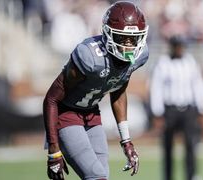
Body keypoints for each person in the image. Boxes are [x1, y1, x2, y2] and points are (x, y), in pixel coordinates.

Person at [42, 1, 149, 180]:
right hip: (66, 114)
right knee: (96, 175)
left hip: (92, 115)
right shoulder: (90, 57)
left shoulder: (139, 57)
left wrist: (126, 140)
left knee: (102, 176)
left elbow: (119, 91)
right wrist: (53, 151)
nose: (129, 45)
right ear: (108, 34)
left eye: (134, 38)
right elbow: (51, 99)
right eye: (123, 38)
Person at [149, 36, 203, 180]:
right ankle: (168, 176)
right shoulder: (163, 63)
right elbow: (156, 87)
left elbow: (197, 84)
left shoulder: (190, 62)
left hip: (188, 109)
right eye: (178, 46)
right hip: (170, 109)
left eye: (182, 46)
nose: (180, 49)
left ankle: (191, 175)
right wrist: (157, 112)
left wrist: (202, 106)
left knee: (191, 145)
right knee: (168, 147)